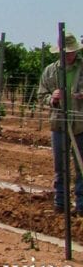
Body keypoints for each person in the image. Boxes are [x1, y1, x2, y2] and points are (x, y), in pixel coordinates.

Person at [38, 32, 83, 215]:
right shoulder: (50, 71)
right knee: (60, 167)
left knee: (81, 166)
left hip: (81, 125)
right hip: (59, 125)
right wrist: (52, 99)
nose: (69, 55)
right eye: (65, 52)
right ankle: (60, 203)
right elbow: (41, 96)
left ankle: (81, 206)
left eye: (71, 52)